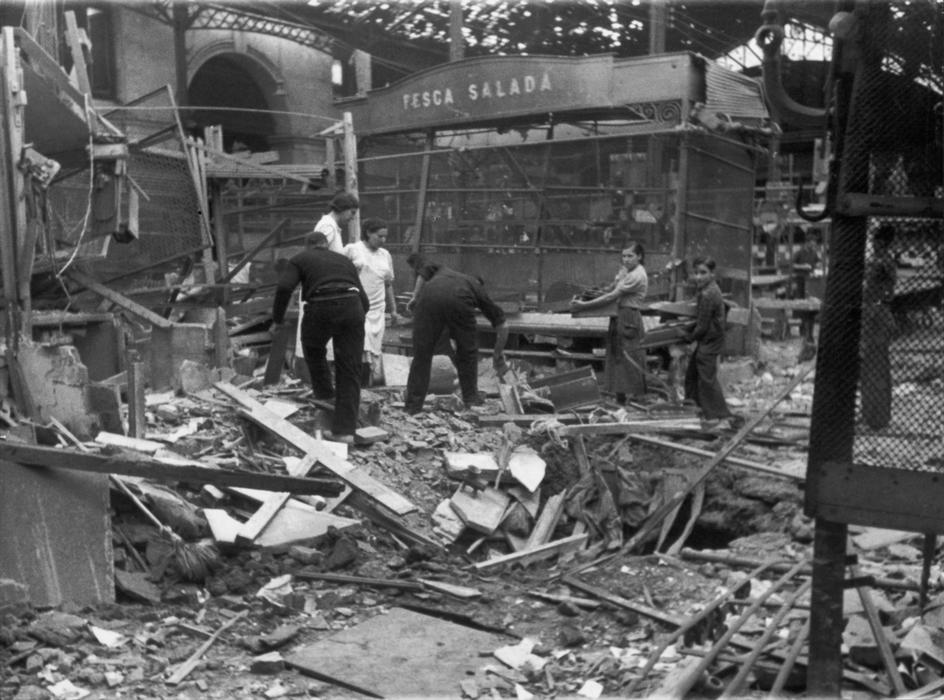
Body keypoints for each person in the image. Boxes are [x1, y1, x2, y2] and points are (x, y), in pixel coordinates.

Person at [271, 232, 369, 443]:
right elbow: (365, 300)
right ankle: (344, 432)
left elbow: (284, 287)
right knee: (350, 368)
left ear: (308, 246)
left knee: (312, 348)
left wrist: (277, 319)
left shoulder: (300, 259)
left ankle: (325, 394)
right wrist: (356, 316)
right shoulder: (344, 260)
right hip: (353, 306)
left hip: (321, 305)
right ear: (326, 245)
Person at [404, 268, 509, 414]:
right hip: (456, 301)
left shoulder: (444, 273)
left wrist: (415, 297)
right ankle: (471, 400)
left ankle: (412, 407)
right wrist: (498, 355)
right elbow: (503, 325)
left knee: (422, 355)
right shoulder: (475, 286)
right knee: (468, 351)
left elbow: (423, 272)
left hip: (428, 297)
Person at [570, 242, 649, 403]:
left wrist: (584, 306)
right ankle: (621, 398)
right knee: (617, 356)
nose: (626, 259)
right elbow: (611, 289)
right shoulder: (628, 271)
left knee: (629, 356)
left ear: (639, 256)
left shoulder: (637, 275)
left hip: (629, 318)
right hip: (620, 315)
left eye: (630, 256)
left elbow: (611, 296)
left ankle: (635, 399)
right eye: (624, 256)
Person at [683, 256, 738, 429]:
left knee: (706, 378)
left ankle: (720, 415)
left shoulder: (708, 293)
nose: (698, 277)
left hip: (710, 338)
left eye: (703, 273)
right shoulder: (709, 288)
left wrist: (687, 337)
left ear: (712, 274)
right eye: (696, 273)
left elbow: (702, 326)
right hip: (710, 337)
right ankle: (694, 408)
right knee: (693, 374)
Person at [344, 218, 399, 385]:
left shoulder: (385, 255)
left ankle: (369, 385)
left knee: (375, 348)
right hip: (357, 306)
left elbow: (388, 284)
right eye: (379, 236)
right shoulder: (352, 249)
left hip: (378, 309)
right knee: (361, 345)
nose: (383, 240)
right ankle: (357, 384)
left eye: (385, 237)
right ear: (368, 233)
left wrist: (394, 309)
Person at [860, 224, 897, 430]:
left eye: (876, 241)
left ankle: (876, 418)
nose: (873, 245)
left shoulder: (883, 264)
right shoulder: (882, 263)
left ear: (881, 243)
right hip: (876, 318)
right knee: (873, 370)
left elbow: (880, 293)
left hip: (876, 320)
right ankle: (872, 416)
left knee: (875, 369)